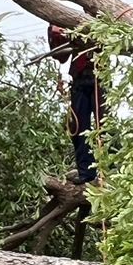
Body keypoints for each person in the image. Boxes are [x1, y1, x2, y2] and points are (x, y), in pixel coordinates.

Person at [47, 22, 103, 183]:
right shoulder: (63, 23)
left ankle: (106, 169)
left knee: (103, 126)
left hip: (99, 79)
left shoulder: (97, 22)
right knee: (78, 127)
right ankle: (86, 173)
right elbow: (60, 57)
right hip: (79, 80)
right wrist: (57, 34)